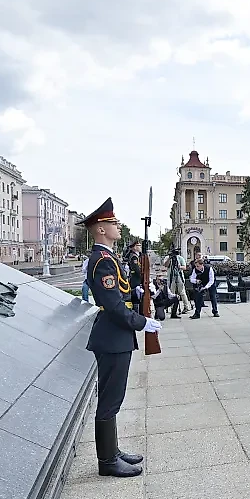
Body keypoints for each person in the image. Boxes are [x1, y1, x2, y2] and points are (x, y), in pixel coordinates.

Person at [79, 197, 162, 478]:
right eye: (113, 223)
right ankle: (107, 461)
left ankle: (112, 451)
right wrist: (142, 322)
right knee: (110, 399)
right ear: (100, 229)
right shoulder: (101, 260)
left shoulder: (109, 258)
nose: (117, 226)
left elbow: (121, 293)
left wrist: (138, 293)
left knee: (114, 397)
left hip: (117, 336)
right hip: (113, 335)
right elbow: (113, 304)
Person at [124, 240, 143, 313]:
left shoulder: (137, 255)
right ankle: (135, 313)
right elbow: (136, 269)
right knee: (135, 296)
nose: (140, 247)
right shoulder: (134, 257)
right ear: (135, 247)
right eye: (139, 246)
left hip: (135, 278)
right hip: (135, 279)